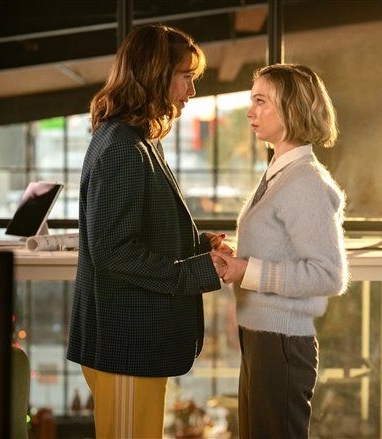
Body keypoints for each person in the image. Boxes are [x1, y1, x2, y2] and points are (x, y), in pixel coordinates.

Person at [67, 24, 231, 438]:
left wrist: (197, 244)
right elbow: (114, 250)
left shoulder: (135, 137)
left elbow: (139, 226)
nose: (191, 91)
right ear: (156, 74)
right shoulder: (123, 145)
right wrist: (198, 272)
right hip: (127, 349)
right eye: (186, 77)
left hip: (132, 349)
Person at [212, 63, 349, 438]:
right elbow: (280, 249)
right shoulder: (280, 171)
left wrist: (246, 271)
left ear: (291, 108)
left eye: (261, 101)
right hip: (262, 338)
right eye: (251, 100)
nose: (250, 111)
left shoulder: (304, 181)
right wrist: (234, 257)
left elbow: (327, 275)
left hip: (282, 346)